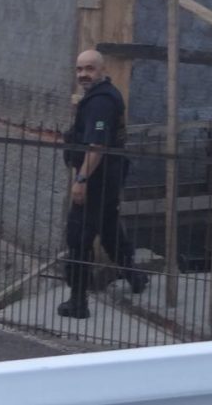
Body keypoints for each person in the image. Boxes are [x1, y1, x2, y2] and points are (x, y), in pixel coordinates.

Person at [59, 49, 148, 319]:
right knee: (109, 230)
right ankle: (135, 276)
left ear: (102, 70)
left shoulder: (101, 102)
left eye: (90, 69)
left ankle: (77, 302)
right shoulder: (100, 96)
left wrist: (81, 180)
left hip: (97, 179)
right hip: (108, 177)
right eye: (79, 69)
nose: (83, 74)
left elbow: (97, 146)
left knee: (79, 237)